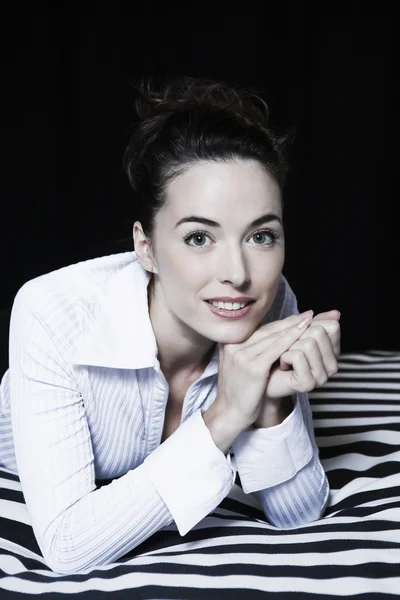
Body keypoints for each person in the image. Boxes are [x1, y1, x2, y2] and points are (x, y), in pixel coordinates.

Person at [0, 76, 341, 575]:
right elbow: (67, 546)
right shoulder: (53, 313)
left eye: (261, 236)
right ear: (145, 247)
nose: (239, 275)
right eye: (200, 237)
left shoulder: (271, 300)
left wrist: (272, 401)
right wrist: (224, 416)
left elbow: (299, 516)